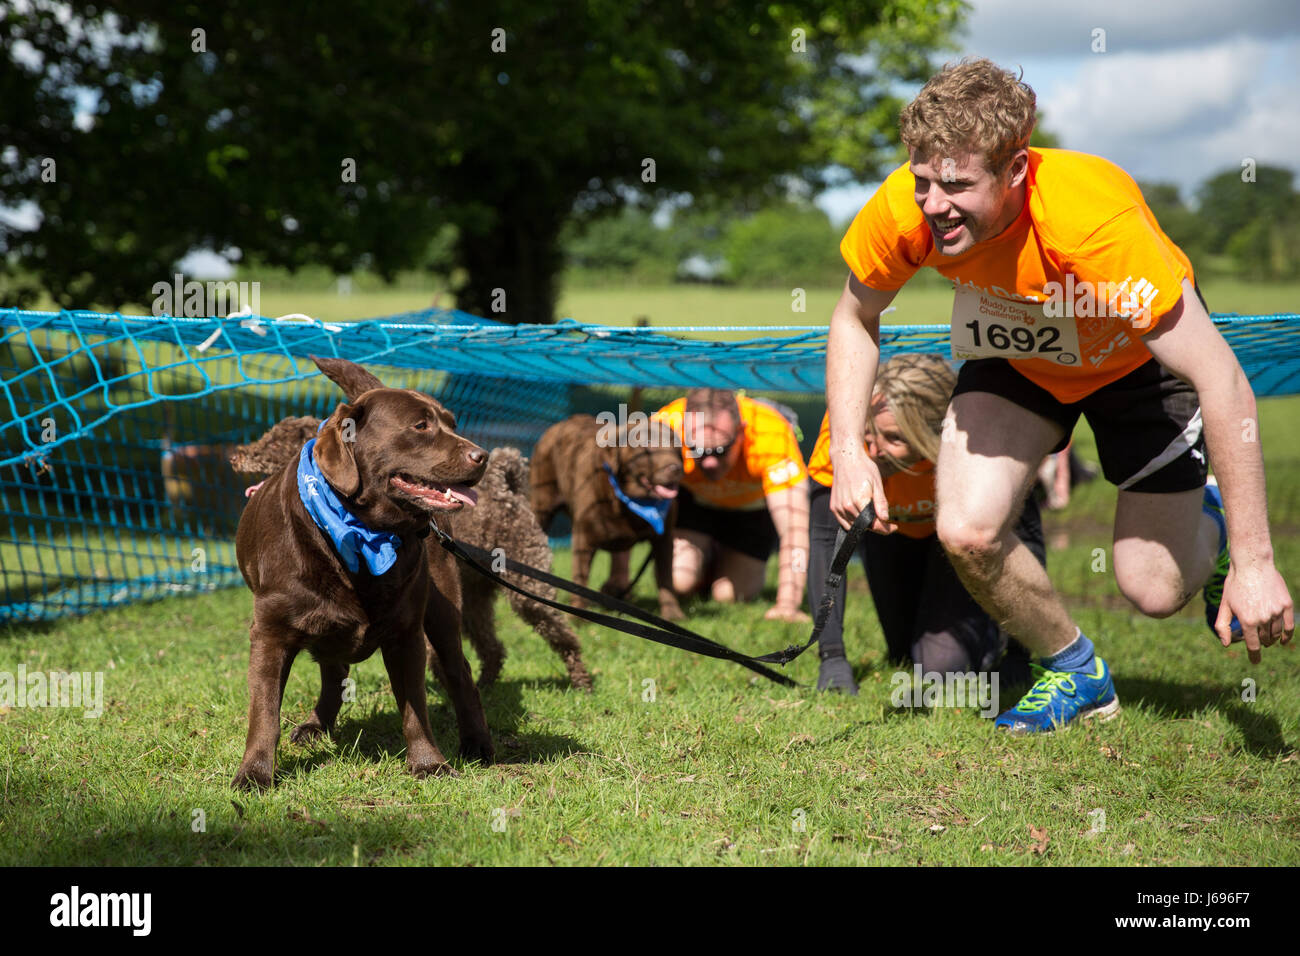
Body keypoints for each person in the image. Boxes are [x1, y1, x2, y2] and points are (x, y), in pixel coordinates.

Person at [827, 58, 1294, 733]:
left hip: (1133, 367)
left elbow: (1222, 380)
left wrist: (1255, 561)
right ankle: (1076, 671)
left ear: (1016, 170)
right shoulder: (905, 209)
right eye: (924, 180)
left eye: (957, 185)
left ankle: (1210, 522)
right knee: (967, 529)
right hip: (1017, 355)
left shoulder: (1092, 223)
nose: (933, 204)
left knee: (1152, 589)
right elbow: (853, 318)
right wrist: (848, 449)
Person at [809, 353, 1039, 695]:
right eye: (868, 432)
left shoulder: (977, 441)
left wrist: (1020, 655)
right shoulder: (844, 435)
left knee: (938, 673)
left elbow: (1028, 538)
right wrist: (832, 657)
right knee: (903, 657)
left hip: (960, 546)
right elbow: (826, 541)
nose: (872, 449)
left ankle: (990, 633)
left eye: (895, 439)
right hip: (893, 537)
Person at [655, 388, 810, 622]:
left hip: (751, 511)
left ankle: (720, 557)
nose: (708, 463)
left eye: (720, 451)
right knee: (679, 581)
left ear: (741, 431)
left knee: (729, 595)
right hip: (697, 504)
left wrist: (788, 603)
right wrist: (619, 576)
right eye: (697, 450)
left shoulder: (771, 432)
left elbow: (794, 531)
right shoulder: (665, 426)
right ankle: (704, 557)